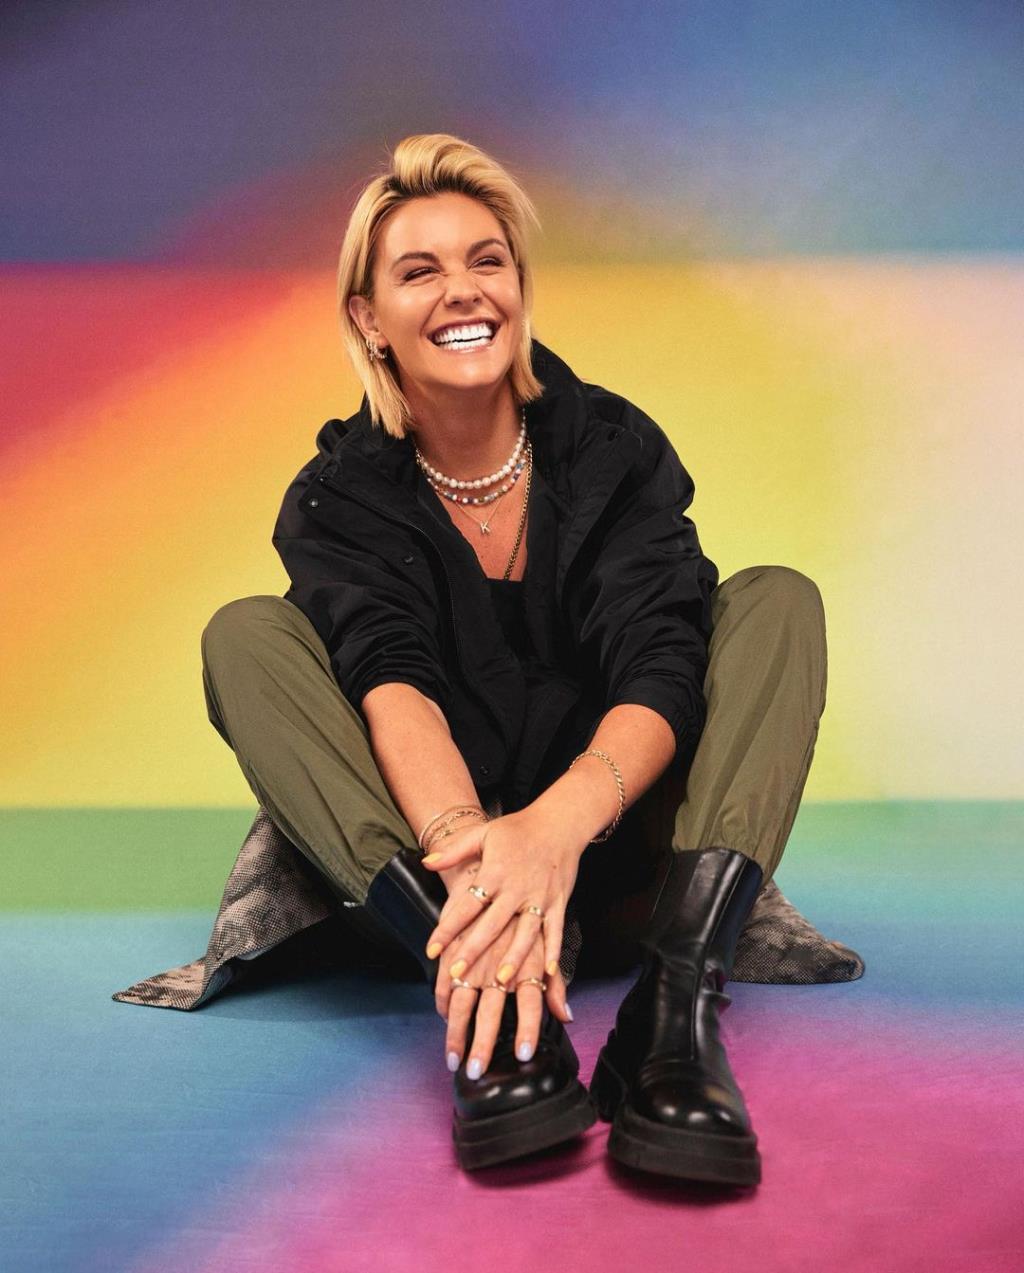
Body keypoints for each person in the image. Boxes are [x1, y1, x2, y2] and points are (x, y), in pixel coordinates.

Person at [192, 133, 860, 1185]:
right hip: (435, 886)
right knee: (245, 632)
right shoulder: (340, 495)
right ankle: (494, 1000)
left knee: (776, 599)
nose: (463, 291)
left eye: (487, 260)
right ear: (368, 317)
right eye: (419, 271)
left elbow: (661, 663)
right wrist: (484, 883)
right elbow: (391, 682)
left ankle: (672, 1014)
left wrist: (552, 831)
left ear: (517, 287)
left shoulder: (609, 446)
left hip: (623, 863)